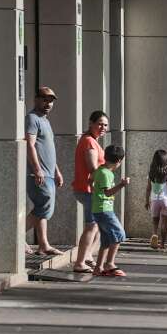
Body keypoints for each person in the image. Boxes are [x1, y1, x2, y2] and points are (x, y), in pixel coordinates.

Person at [25, 86, 64, 256]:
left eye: (51, 100)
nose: (48, 103)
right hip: (38, 173)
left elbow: (48, 148)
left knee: (44, 209)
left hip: (48, 173)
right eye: (44, 99)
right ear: (36, 99)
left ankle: (43, 245)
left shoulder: (45, 121)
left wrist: (57, 171)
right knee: (45, 204)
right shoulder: (32, 118)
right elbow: (30, 144)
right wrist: (37, 169)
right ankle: (16, 236)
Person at [72, 111, 109, 273]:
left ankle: (87, 257)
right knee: (91, 226)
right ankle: (79, 262)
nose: (103, 127)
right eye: (100, 123)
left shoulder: (91, 140)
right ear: (91, 123)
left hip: (90, 190)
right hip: (88, 190)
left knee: (98, 226)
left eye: (106, 125)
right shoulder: (89, 142)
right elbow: (93, 168)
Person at [92, 145, 130, 277]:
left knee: (106, 240)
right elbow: (107, 192)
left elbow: (91, 181)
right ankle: (110, 263)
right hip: (104, 210)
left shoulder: (100, 171)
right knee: (119, 234)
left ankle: (98, 268)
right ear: (119, 160)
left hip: (99, 209)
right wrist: (122, 184)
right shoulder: (105, 173)